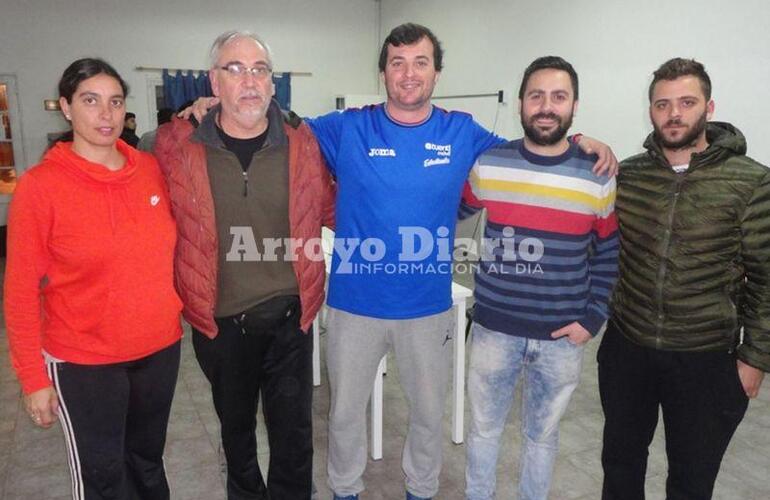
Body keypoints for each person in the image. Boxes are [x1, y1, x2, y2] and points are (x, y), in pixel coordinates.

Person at [183, 23, 616, 499]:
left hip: (427, 309)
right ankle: (345, 489)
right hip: (353, 306)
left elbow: (530, 150)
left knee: (428, 415)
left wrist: (581, 143)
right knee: (345, 413)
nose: (409, 74)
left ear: (436, 73)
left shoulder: (462, 132)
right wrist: (214, 105)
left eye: (421, 62)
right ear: (384, 72)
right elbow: (271, 119)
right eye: (397, 62)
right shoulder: (345, 128)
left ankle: (421, 489)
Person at [154, 31, 335, 500]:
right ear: (215, 81)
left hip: (291, 320)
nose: (249, 81)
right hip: (221, 326)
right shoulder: (176, 143)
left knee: (294, 440)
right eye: (235, 69)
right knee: (237, 437)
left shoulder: (303, 142)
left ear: (273, 84)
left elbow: (333, 206)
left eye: (260, 70)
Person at [4, 58, 183, 499]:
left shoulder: (148, 169)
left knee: (147, 462)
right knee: (102, 476)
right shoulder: (40, 187)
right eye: (90, 101)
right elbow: (21, 290)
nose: (105, 114)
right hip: (85, 362)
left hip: (159, 350)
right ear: (66, 107)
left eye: (115, 102)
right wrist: (33, 379)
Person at [600, 57, 770, 500]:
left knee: (691, 481)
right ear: (651, 110)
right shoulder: (631, 176)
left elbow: (767, 279)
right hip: (627, 349)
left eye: (686, 102)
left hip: (704, 357)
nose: (673, 114)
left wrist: (754, 359)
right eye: (662, 104)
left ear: (708, 107)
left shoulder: (752, 182)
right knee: (620, 467)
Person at [460, 56, 618, 500]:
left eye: (558, 96)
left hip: (562, 338)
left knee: (541, 438)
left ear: (574, 106)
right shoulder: (491, 163)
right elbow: (447, 207)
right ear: (521, 104)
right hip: (494, 329)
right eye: (537, 96)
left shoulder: (598, 176)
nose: (546, 106)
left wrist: (593, 318)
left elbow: (608, 250)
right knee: (484, 431)